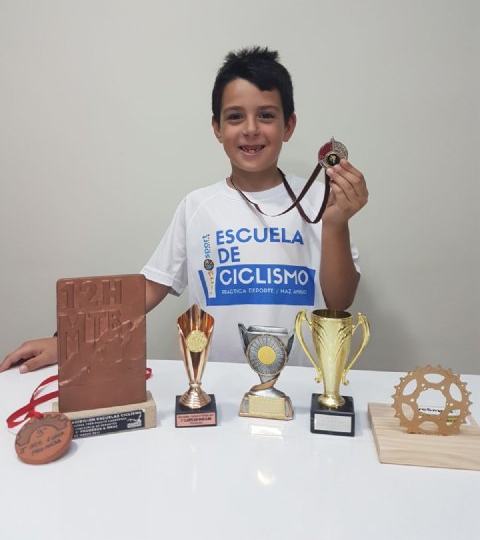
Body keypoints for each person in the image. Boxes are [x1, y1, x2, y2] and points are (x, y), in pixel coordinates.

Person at [0, 46, 368, 372]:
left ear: (288, 126)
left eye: (267, 116)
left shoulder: (321, 200)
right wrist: (69, 340)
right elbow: (148, 289)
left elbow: (339, 302)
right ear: (216, 128)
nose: (251, 129)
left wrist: (336, 224)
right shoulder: (198, 206)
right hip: (217, 390)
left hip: (300, 389)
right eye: (235, 117)